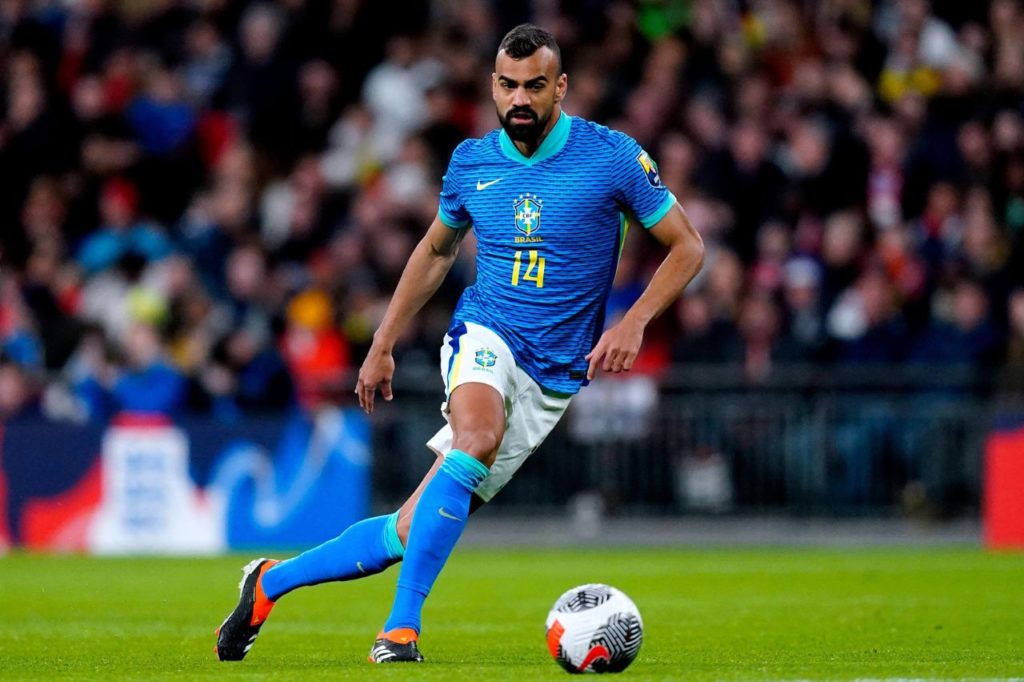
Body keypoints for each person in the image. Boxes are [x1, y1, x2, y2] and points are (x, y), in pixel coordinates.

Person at [215, 23, 704, 664]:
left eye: (534, 86)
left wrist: (633, 320)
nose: (520, 99)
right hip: (485, 333)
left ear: (562, 87)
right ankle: (400, 631)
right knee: (477, 435)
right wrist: (383, 340)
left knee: (407, 530)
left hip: (553, 376)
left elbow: (687, 246)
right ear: (492, 87)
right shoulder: (471, 162)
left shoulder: (612, 157)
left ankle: (267, 584)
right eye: (508, 85)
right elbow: (436, 249)